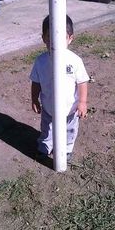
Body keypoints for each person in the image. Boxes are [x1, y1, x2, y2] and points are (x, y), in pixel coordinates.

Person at [30, 15, 89, 162]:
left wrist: (82, 102)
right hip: (48, 107)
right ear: (43, 38)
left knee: (70, 131)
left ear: (70, 38)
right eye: (50, 37)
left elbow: (82, 82)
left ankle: (67, 149)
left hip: (70, 109)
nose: (54, 41)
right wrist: (34, 99)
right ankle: (45, 146)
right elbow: (36, 82)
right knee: (47, 130)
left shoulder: (75, 61)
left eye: (60, 37)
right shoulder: (40, 61)